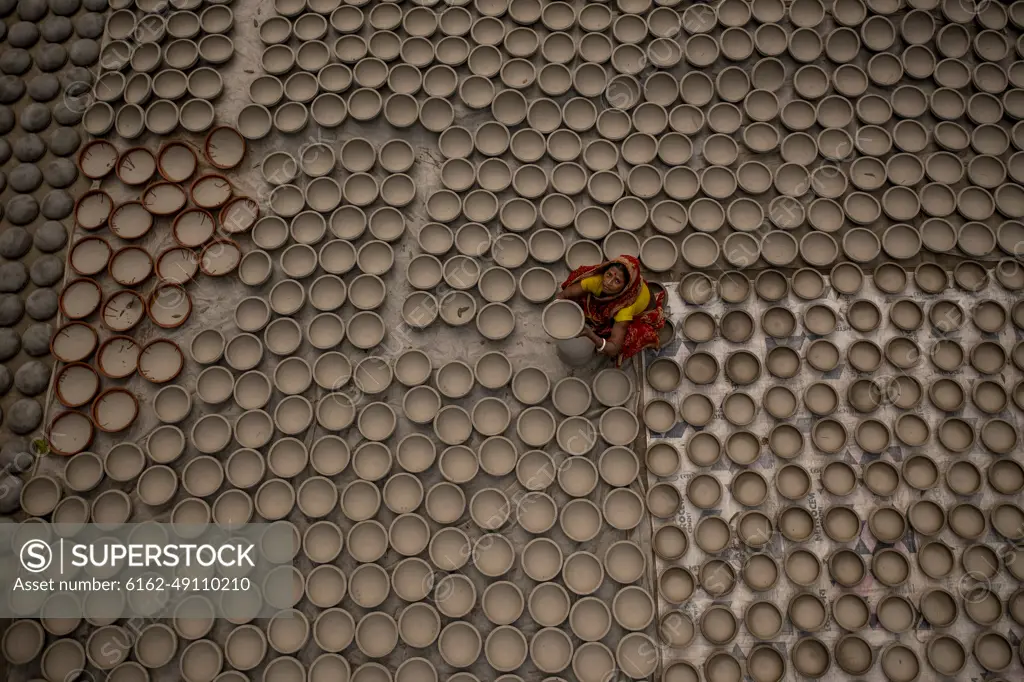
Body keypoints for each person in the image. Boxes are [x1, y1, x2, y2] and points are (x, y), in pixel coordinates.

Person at [557, 255, 666, 366]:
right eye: (608, 275)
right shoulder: (597, 281)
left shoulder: (625, 308)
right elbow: (565, 294)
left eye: (617, 281)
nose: (608, 283)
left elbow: (613, 348)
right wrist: (555, 308)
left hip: (642, 310)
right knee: (581, 299)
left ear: (625, 287)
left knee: (629, 337)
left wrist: (590, 335)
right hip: (620, 297)